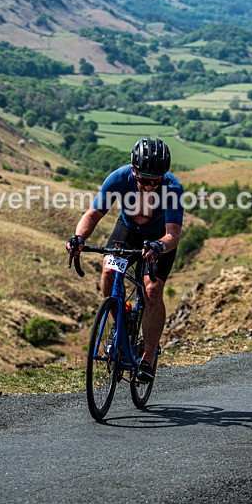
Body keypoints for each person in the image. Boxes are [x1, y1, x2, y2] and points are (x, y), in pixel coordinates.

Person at [66, 137, 184, 384]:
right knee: (109, 272)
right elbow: (93, 214)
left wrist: (159, 246)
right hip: (128, 232)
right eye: (144, 180)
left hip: (159, 238)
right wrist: (78, 238)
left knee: (152, 291)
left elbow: (173, 234)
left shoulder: (172, 188)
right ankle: (120, 317)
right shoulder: (119, 179)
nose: (150, 187)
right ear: (133, 171)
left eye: (156, 181)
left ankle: (148, 358)